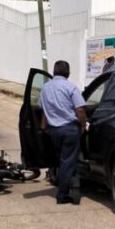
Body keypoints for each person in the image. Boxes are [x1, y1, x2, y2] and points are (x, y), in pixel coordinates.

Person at [40, 60, 86, 205]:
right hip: (69, 129)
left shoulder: (45, 88)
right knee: (67, 162)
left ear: (54, 72)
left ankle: (73, 185)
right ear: (68, 73)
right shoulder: (71, 87)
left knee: (63, 160)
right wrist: (83, 125)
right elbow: (80, 109)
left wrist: (43, 127)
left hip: (53, 131)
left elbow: (44, 109)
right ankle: (62, 195)